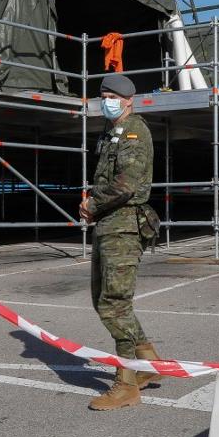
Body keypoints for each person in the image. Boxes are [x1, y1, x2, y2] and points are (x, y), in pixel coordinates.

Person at [79, 73, 162, 411]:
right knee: (104, 301)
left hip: (124, 225)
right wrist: (92, 204)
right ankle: (147, 363)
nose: (106, 100)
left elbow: (127, 184)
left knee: (114, 304)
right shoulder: (111, 131)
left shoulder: (134, 131)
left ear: (130, 99)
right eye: (102, 95)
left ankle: (126, 384)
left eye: (112, 95)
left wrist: (93, 204)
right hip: (108, 224)